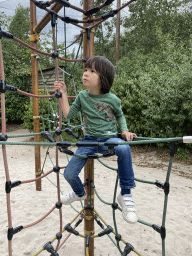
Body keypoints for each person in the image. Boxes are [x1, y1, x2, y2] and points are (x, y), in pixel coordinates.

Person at [54, 56, 138, 224]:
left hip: (109, 138)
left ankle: (126, 194)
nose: (85, 74)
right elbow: (69, 115)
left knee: (124, 148)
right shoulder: (82, 96)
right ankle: (79, 193)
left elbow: (120, 115)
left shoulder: (113, 99)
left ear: (103, 78)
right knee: (69, 174)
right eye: (85, 70)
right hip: (89, 140)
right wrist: (63, 94)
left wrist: (124, 130)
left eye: (92, 71)